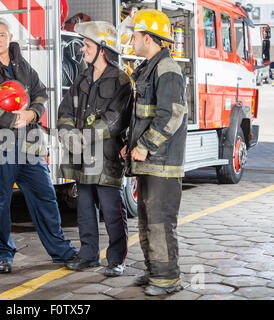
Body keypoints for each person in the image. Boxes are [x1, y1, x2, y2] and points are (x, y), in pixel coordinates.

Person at [0, 17, 77, 274]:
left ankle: (61, 251)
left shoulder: (22, 66)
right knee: (1, 203)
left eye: (1, 35)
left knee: (46, 197)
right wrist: (10, 118)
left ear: (10, 37)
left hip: (30, 146)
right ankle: (3, 254)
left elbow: (40, 93)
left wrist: (33, 114)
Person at [57, 21, 133, 277]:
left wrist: (84, 136)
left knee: (112, 210)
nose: (82, 50)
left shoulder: (121, 80)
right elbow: (65, 109)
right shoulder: (82, 76)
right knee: (84, 206)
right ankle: (88, 254)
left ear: (103, 48)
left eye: (87, 45)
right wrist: (67, 131)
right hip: (83, 156)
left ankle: (115, 259)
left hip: (107, 156)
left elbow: (116, 118)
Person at [120, 9, 187, 295]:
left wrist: (145, 146)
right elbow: (144, 116)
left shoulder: (166, 69)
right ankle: (153, 271)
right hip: (149, 161)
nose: (131, 40)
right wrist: (131, 142)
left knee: (159, 222)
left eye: (135, 35)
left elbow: (172, 115)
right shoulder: (150, 66)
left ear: (148, 38)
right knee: (148, 219)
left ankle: (167, 278)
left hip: (161, 163)